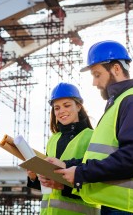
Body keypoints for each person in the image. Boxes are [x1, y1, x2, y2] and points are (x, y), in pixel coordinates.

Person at [50, 40, 133, 214]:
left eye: (97, 75)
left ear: (116, 69)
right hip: (118, 206)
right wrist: (65, 164)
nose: (94, 83)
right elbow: (104, 157)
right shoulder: (119, 104)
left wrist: (81, 173)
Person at [27, 82, 100, 214]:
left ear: (78, 106)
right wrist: (34, 177)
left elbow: (96, 180)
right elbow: (48, 186)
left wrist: (62, 186)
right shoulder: (53, 139)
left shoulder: (93, 137)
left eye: (66, 105)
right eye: (57, 108)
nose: (61, 111)